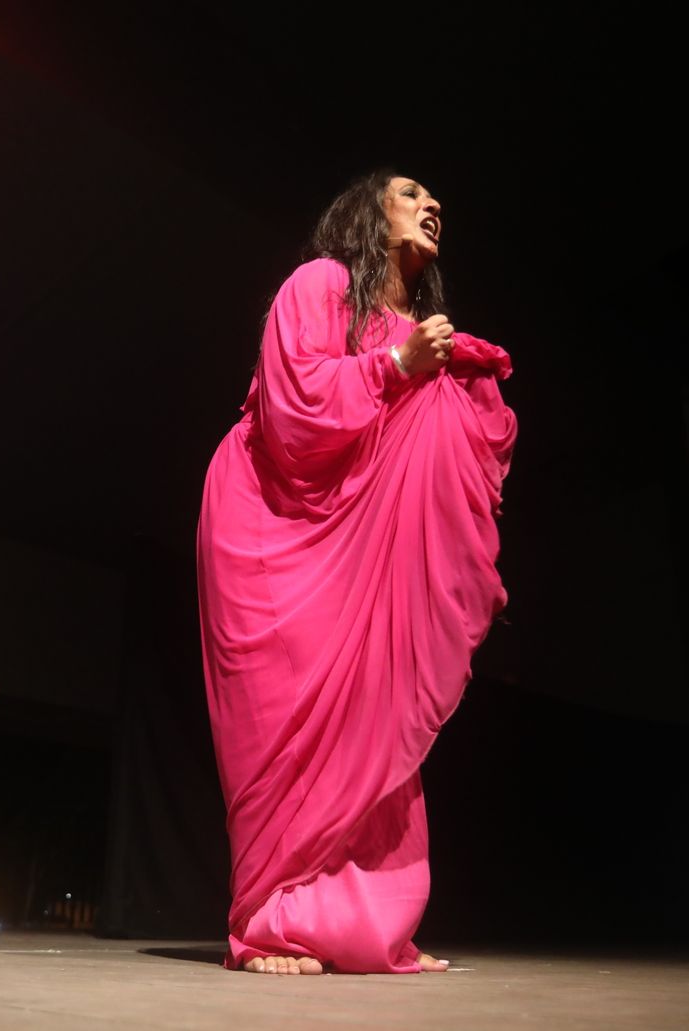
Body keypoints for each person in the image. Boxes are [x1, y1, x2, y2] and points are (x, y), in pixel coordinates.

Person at [198, 171, 518, 974]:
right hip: (273, 517)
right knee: (287, 721)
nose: (432, 204)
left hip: (366, 541)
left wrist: (447, 374)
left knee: (373, 710)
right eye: (411, 193)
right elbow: (292, 403)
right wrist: (395, 366)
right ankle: (272, 919)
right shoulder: (323, 283)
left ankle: (358, 921)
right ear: (366, 212)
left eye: (437, 197)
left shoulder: (417, 329)